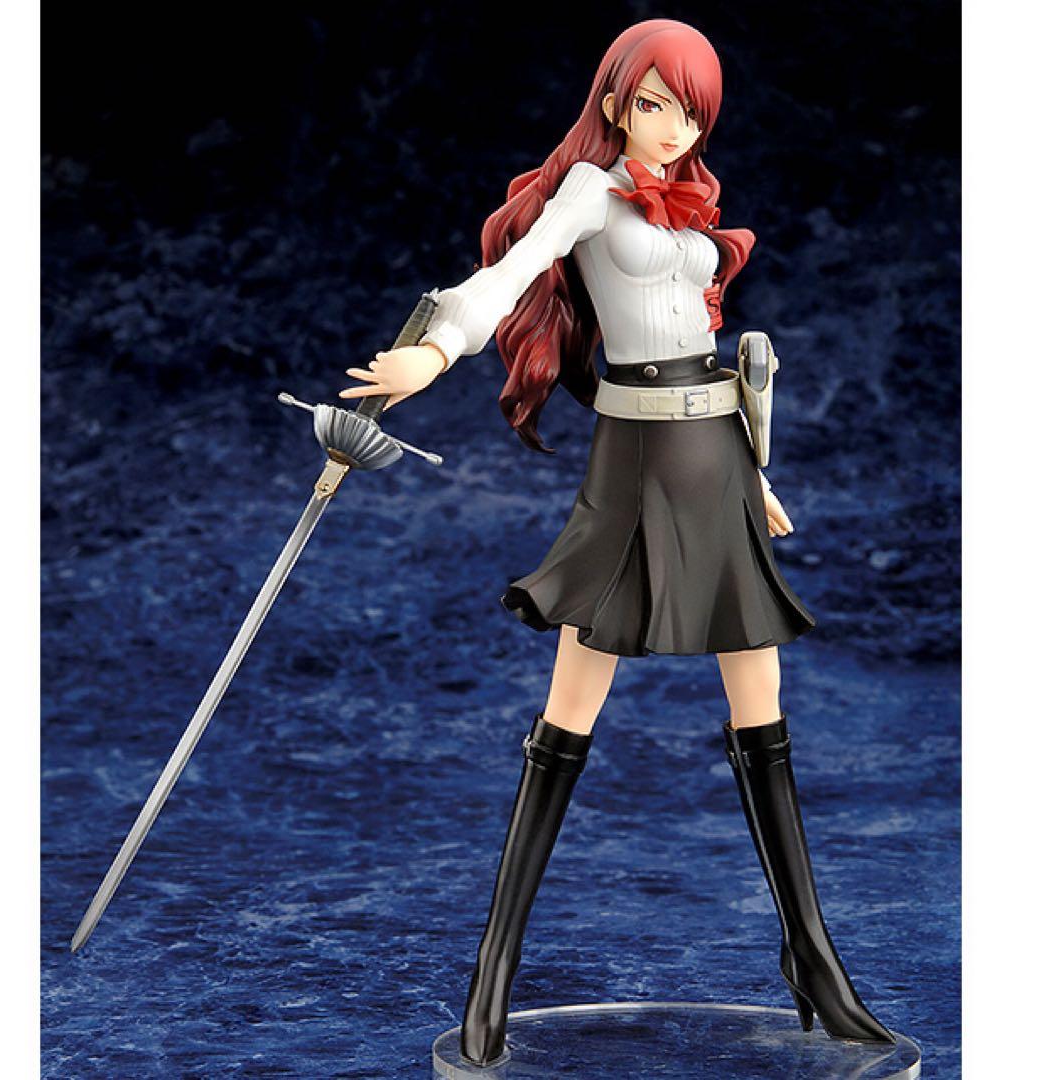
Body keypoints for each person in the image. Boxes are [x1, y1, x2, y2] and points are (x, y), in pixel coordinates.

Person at [340, 18, 895, 1068]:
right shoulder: (593, 193)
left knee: (761, 696)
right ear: (614, 105)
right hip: (634, 464)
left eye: (690, 110)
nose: (673, 127)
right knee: (573, 700)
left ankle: (813, 959)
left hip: (718, 455)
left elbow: (709, 348)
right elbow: (508, 276)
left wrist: (756, 475)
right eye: (654, 104)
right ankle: (494, 972)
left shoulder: (692, 205)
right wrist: (436, 351)